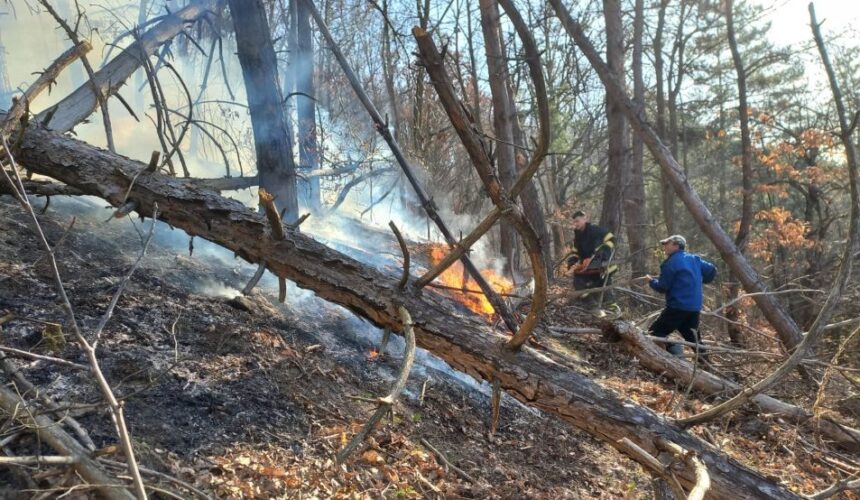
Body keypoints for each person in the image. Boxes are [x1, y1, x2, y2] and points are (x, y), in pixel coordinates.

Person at [647, 234, 716, 358]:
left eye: (667, 244)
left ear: (676, 245)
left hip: (677, 307)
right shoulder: (694, 259)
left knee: (655, 332)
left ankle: (670, 358)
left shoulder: (670, 263)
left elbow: (663, 287)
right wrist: (699, 279)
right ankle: (706, 364)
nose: (664, 247)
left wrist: (651, 281)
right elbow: (712, 270)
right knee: (694, 340)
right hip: (694, 307)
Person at [566, 210, 619, 315]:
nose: (576, 224)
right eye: (574, 222)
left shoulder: (596, 230)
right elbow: (575, 252)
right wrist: (572, 261)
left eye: (578, 221)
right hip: (588, 268)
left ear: (585, 219)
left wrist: (601, 254)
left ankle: (613, 310)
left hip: (603, 265)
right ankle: (592, 307)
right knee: (578, 281)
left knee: (604, 285)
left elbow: (611, 240)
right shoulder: (578, 236)